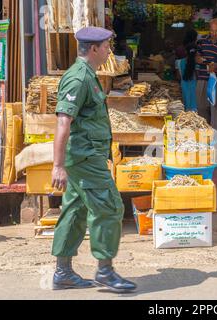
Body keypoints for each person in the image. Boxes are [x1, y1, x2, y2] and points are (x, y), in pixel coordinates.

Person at [51, 26, 137, 294]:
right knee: (109, 207)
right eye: (107, 46)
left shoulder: (88, 75)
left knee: (76, 210)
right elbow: (63, 123)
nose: (109, 50)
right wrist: (57, 165)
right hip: (84, 158)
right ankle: (105, 272)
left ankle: (63, 272)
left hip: (86, 156)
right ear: (94, 49)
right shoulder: (78, 78)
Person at [175, 30, 198, 111]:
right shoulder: (198, 65)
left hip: (184, 91)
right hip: (196, 95)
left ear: (185, 51)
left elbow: (178, 77)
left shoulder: (178, 62)